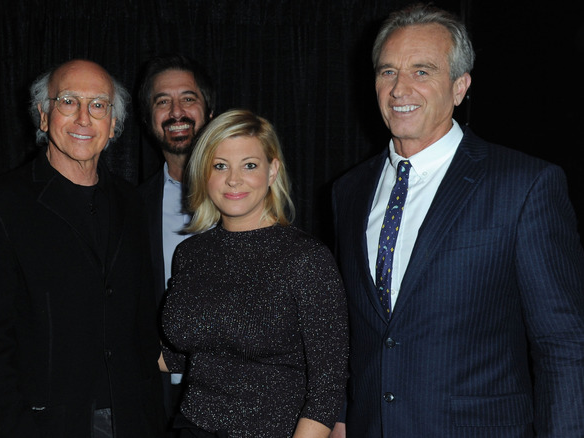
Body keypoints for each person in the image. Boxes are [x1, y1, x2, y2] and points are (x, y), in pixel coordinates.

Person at [330, 4, 584, 437]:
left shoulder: (524, 185)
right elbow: (351, 333)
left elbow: (563, 346)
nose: (399, 89)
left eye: (422, 71)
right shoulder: (348, 191)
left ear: (460, 87)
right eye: (387, 71)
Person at [0, 59, 165, 437]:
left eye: (99, 105)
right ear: (43, 115)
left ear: (114, 123)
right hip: (43, 425)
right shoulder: (0, 203)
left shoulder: (131, 203)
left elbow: (141, 326)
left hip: (132, 420)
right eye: (68, 101)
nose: (84, 117)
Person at [160, 109, 349, 437]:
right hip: (190, 425)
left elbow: (327, 389)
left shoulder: (306, 259)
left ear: (272, 170)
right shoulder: (191, 254)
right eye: (220, 166)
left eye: (249, 165)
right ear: (204, 172)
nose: (234, 179)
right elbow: (176, 357)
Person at [136, 54, 215, 431]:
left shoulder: (250, 198)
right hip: (156, 400)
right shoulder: (130, 208)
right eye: (162, 101)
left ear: (209, 110)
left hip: (241, 399)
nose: (176, 111)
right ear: (149, 119)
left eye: (188, 98)